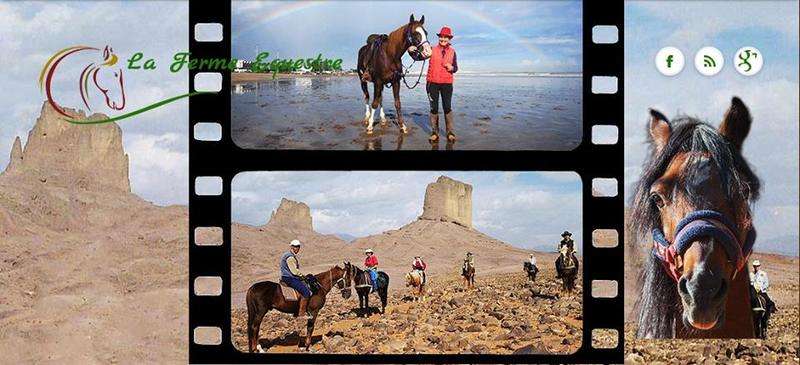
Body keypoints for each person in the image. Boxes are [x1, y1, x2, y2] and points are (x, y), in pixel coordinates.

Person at [426, 26, 459, 143]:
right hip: (432, 83)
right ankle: (434, 133)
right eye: (441, 37)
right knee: (434, 108)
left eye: (446, 37)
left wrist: (452, 67)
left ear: (449, 39)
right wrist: (412, 49)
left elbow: (456, 68)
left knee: (447, 107)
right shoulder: (431, 49)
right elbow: (419, 56)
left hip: (447, 83)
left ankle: (450, 132)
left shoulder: (453, 52)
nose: (443, 39)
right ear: (439, 37)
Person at [280, 239, 312, 319]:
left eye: (298, 247)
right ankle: (301, 314)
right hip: (289, 278)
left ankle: (296, 310)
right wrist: (302, 276)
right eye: (295, 247)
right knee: (306, 292)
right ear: (291, 247)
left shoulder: (287, 255)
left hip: (287, 277)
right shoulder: (290, 257)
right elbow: (294, 271)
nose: (297, 248)